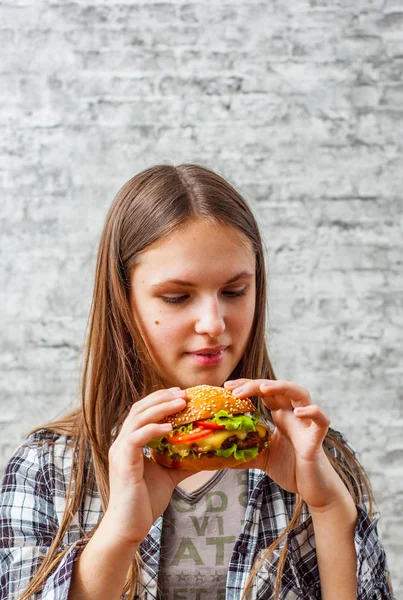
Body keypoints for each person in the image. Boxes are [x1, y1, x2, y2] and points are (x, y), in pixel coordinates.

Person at [0, 164, 394, 600]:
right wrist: (117, 537)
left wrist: (329, 508)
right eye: (176, 297)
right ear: (123, 303)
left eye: (234, 291)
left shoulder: (318, 456)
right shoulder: (45, 471)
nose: (213, 324)